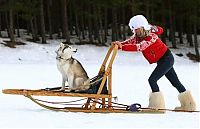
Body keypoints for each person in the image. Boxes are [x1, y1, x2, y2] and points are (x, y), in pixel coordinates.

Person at [113, 15, 196, 111]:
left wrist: (122, 47)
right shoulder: (138, 36)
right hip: (161, 61)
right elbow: (131, 41)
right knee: (175, 82)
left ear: (143, 27)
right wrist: (119, 44)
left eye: (137, 29)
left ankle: (157, 106)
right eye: (134, 30)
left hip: (167, 59)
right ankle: (188, 105)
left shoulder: (151, 36)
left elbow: (140, 47)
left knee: (152, 80)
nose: (135, 32)